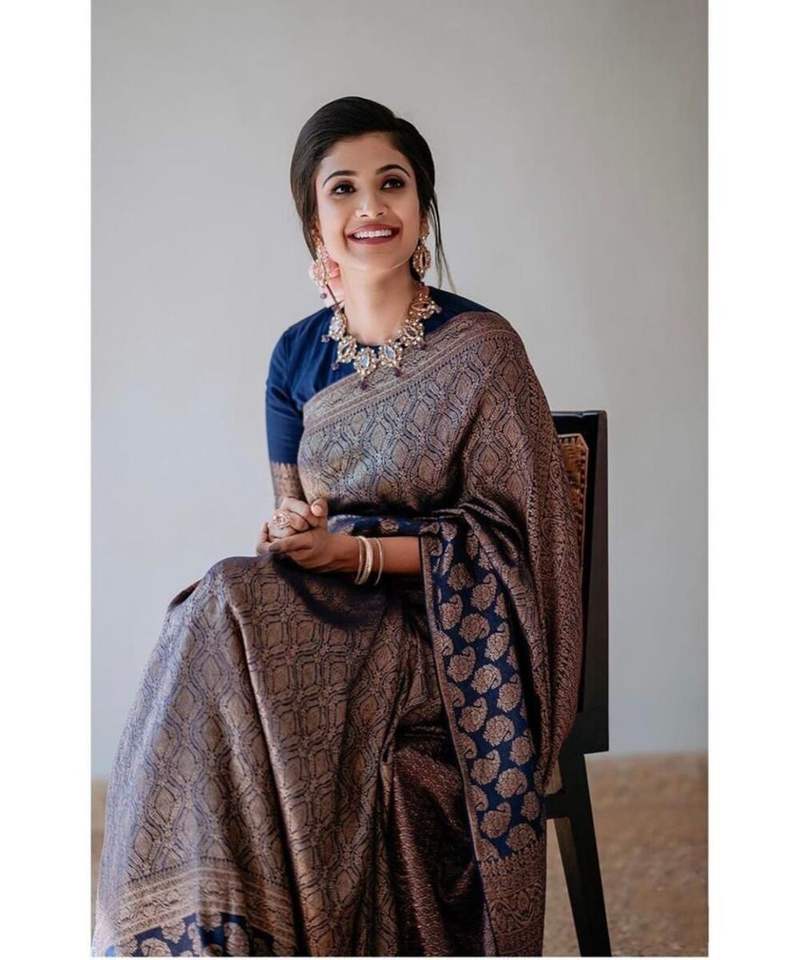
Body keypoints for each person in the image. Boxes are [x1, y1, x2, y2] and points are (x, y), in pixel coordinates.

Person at [92, 96, 584, 957]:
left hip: (450, 636)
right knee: (222, 603)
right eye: (343, 189)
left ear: (422, 205)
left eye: (392, 183)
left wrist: (355, 554)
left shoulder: (484, 349)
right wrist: (295, 531)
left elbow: (515, 544)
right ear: (313, 219)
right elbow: (291, 510)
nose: (370, 207)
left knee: (225, 603)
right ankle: (197, 934)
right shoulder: (295, 356)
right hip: (330, 620)